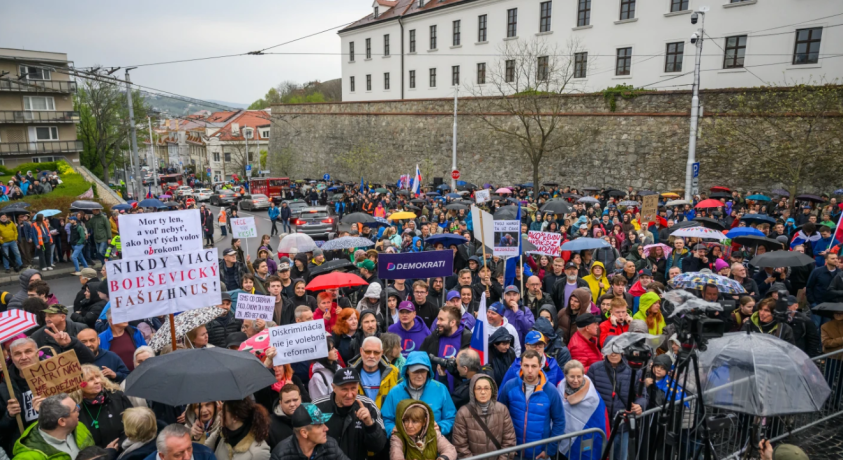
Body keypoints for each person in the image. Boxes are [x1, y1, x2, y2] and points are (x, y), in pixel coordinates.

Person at [497, 350, 566, 459]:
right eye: (526, 366)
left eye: (533, 366)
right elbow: (499, 417)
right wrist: (506, 446)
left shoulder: (550, 391)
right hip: (513, 453)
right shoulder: (509, 386)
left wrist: (550, 450)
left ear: (540, 366)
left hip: (539, 455)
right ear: (521, 366)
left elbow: (559, 421)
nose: (530, 370)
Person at [587, 337, 648, 460]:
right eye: (610, 349)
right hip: (600, 427)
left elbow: (642, 395)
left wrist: (640, 405)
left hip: (621, 427)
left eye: (617, 349)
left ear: (623, 351)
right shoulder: (595, 369)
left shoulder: (634, 370)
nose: (613, 353)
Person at [313, 368, 387, 460]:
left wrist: (370, 424)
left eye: (353, 388)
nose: (349, 395)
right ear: (333, 387)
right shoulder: (317, 407)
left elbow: (379, 446)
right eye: (344, 389)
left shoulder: (368, 405)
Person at [380, 351, 457, 436]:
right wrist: (391, 429)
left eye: (423, 371)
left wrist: (440, 427)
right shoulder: (395, 392)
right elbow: (385, 419)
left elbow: (451, 418)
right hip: (403, 444)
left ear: (428, 371)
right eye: (415, 371)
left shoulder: (440, 389)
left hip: (433, 443)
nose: (419, 376)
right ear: (407, 371)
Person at [451, 374, 517, 460]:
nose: (482, 392)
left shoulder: (502, 410)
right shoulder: (463, 413)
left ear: (492, 390)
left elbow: (509, 441)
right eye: (478, 388)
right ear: (473, 391)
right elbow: (461, 446)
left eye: (486, 388)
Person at [12, 393, 95, 460]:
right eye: (75, 409)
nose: (78, 410)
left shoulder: (79, 427)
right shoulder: (27, 458)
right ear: (62, 421)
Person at [70, 364, 134, 447]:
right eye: (90, 379)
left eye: (98, 377)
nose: (97, 381)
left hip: (123, 448)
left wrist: (118, 445)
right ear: (80, 384)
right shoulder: (75, 407)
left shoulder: (117, 396)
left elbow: (133, 424)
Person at [556, 360, 607, 460]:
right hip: (564, 439)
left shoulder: (593, 397)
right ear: (565, 375)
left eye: (579, 376)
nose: (575, 380)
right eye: (572, 377)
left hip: (587, 441)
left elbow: (599, 420)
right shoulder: (560, 388)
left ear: (583, 375)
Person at [269, 403, 350, 460]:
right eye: (319, 425)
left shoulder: (331, 445)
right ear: (304, 433)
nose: (326, 428)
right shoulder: (281, 454)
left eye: (324, 423)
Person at [421, 305, 472, 392]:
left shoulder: (468, 339)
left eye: (441, 319)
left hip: (459, 395)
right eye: (438, 319)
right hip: (435, 393)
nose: (437, 323)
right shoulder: (432, 338)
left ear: (452, 322)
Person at [205, 399, 271, 460]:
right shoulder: (221, 433)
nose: (219, 413)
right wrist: (197, 437)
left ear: (235, 418)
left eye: (223, 412)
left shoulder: (258, 453)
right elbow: (203, 451)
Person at [389, 400, 457, 460]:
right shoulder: (397, 438)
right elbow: (396, 456)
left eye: (415, 421)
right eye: (406, 421)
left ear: (424, 422)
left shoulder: (433, 433)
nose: (409, 426)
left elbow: (451, 450)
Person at [347, 337, 400, 409]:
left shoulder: (394, 372)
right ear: (361, 351)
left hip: (385, 418)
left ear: (381, 353)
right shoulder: (349, 373)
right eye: (368, 351)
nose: (372, 356)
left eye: (376, 352)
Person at [144, 424, 216, 460]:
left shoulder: (206, 455)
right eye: (178, 454)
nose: (187, 457)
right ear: (162, 456)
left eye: (189, 448)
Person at [267, 384, 302, 449]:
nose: (292, 404)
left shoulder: (310, 416)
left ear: (300, 398)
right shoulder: (269, 424)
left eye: (295, 400)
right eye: (287, 401)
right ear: (280, 403)